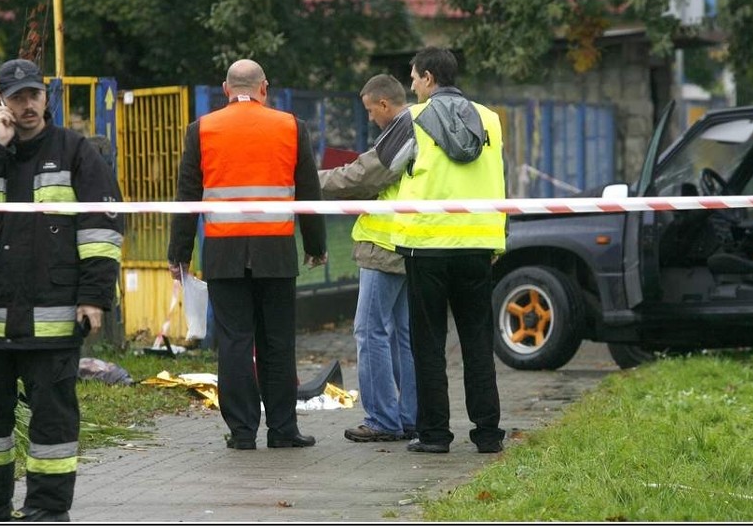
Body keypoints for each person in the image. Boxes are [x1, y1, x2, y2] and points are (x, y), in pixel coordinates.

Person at [0, 58, 124, 522]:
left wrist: (94, 298)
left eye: (34, 95)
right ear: (0, 103)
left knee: (53, 417)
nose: (27, 105)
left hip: (54, 314)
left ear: (46, 98)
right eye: (17, 97)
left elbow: (101, 229)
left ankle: (47, 507)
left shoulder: (76, 151)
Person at [322, 48, 507, 454]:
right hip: (478, 244)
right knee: (478, 343)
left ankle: (435, 435)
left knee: (428, 345)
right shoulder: (490, 119)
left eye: (413, 78)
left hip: (427, 247)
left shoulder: (415, 120)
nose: (411, 85)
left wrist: (310, 183)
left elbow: (374, 170)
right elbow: (499, 180)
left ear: (427, 78)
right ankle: (488, 434)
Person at [167, 59, 327, 451]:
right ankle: (283, 429)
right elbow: (308, 191)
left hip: (224, 252)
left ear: (225, 89)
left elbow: (187, 196)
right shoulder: (291, 127)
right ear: (264, 87)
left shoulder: (201, 130)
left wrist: (179, 255)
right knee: (278, 341)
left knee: (236, 341)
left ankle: (242, 432)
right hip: (275, 251)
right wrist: (316, 246)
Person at [319, 74, 417, 442]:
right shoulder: (418, 127)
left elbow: (362, 176)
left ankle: (382, 419)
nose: (370, 118)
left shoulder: (401, 129)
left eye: (370, 111)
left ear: (384, 105)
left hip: (383, 247)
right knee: (404, 336)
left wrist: (311, 181)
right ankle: (409, 417)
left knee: (370, 332)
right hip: (408, 243)